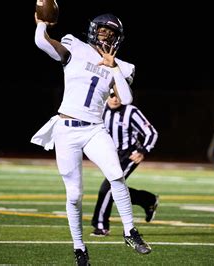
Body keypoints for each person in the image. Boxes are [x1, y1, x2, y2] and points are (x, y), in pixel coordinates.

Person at [31, 12, 152, 265]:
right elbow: (42, 42)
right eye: (102, 30)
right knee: (74, 195)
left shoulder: (123, 66)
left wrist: (113, 67)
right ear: (93, 31)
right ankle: (79, 248)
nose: (105, 35)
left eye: (110, 33)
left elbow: (127, 100)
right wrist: (42, 21)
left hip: (95, 128)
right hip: (67, 128)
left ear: (117, 38)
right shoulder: (75, 47)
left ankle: (130, 232)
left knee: (116, 175)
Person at [91, 93, 159, 236]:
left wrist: (143, 150)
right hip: (111, 155)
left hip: (129, 155)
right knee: (117, 188)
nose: (115, 99)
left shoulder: (131, 112)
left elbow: (151, 133)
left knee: (107, 188)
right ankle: (148, 199)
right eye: (112, 95)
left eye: (119, 95)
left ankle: (101, 226)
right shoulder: (99, 109)